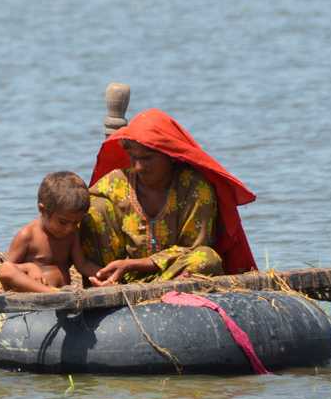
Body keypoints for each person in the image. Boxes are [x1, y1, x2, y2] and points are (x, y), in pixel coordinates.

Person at [80, 109, 257, 285]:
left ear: (170, 156)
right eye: (134, 158)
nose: (139, 167)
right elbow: (70, 216)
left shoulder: (194, 188)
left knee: (206, 258)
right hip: (120, 279)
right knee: (94, 208)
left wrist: (134, 264)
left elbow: (193, 249)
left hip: (173, 275)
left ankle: (153, 291)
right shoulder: (115, 183)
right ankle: (104, 285)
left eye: (148, 158)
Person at [0, 172, 102, 293]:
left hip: (64, 296)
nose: (69, 228)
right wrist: (29, 267)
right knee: (6, 269)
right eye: (63, 222)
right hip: (34, 299)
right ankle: (50, 292)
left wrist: (104, 275)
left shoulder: (72, 234)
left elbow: (83, 265)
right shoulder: (28, 235)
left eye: (76, 223)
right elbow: (6, 272)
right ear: (42, 209)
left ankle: (56, 294)